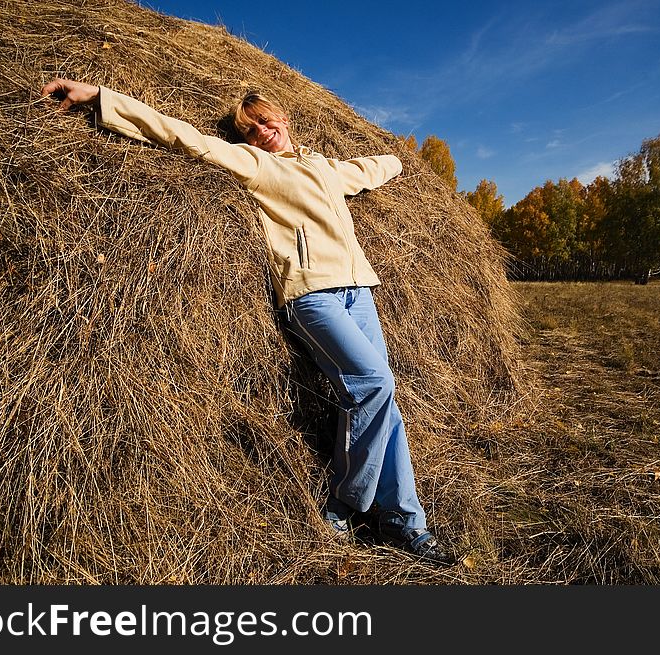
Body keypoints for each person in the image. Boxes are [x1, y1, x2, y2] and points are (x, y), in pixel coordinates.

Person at [41, 78, 455, 566]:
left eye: (266, 119)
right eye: (251, 128)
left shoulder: (323, 167)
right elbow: (184, 136)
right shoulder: (259, 166)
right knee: (374, 383)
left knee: (383, 403)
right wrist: (102, 99)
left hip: (359, 291)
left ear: (283, 117)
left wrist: (403, 160)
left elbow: (367, 170)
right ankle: (345, 501)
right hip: (312, 294)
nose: (262, 130)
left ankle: (405, 521)